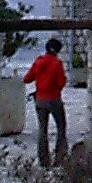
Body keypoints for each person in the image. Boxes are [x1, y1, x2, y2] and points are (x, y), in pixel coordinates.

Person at [23, 37, 68, 167]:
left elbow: (27, 79)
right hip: (53, 98)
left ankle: (44, 160)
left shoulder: (38, 61)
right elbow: (60, 82)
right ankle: (60, 157)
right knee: (61, 127)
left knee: (42, 129)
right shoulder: (56, 63)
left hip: (40, 100)